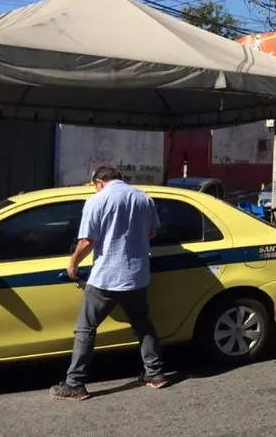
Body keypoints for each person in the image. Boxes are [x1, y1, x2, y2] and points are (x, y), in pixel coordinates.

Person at [50, 166, 169, 400]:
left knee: (85, 329)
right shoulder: (143, 198)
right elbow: (152, 233)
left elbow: (87, 241)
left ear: (100, 182)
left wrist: (72, 263)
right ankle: (155, 375)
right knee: (142, 324)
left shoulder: (97, 200)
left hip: (106, 277)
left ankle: (75, 384)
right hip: (137, 276)